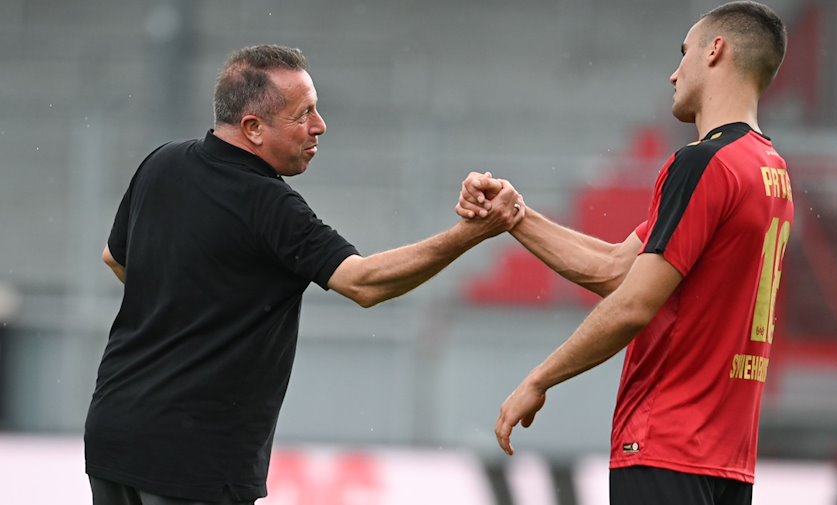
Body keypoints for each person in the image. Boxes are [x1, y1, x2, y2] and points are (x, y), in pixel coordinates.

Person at [85, 44, 524, 505]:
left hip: (115, 434)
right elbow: (364, 282)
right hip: (193, 457)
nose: (320, 126)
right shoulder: (269, 204)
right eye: (304, 115)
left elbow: (116, 259)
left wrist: (186, 312)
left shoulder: (161, 164)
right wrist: (473, 233)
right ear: (253, 128)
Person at [458, 2, 791, 504]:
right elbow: (616, 269)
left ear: (716, 50)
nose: (674, 73)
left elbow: (634, 303)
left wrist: (540, 377)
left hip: (664, 446)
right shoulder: (770, 170)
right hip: (728, 462)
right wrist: (517, 216)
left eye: (684, 54)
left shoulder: (704, 163)